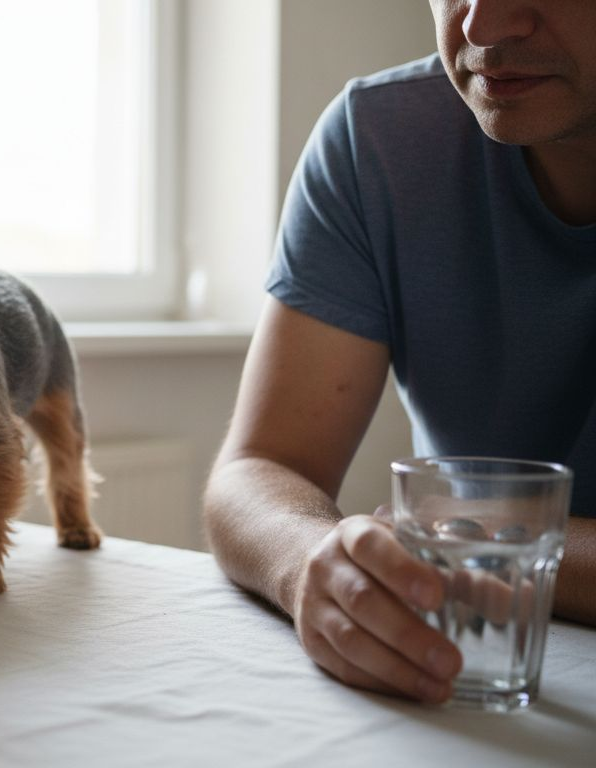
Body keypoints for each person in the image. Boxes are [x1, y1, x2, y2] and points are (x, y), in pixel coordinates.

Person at [203, 0, 596, 705]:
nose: (479, 27)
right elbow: (260, 467)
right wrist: (314, 562)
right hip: (469, 680)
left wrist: (478, 532)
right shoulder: (378, 139)